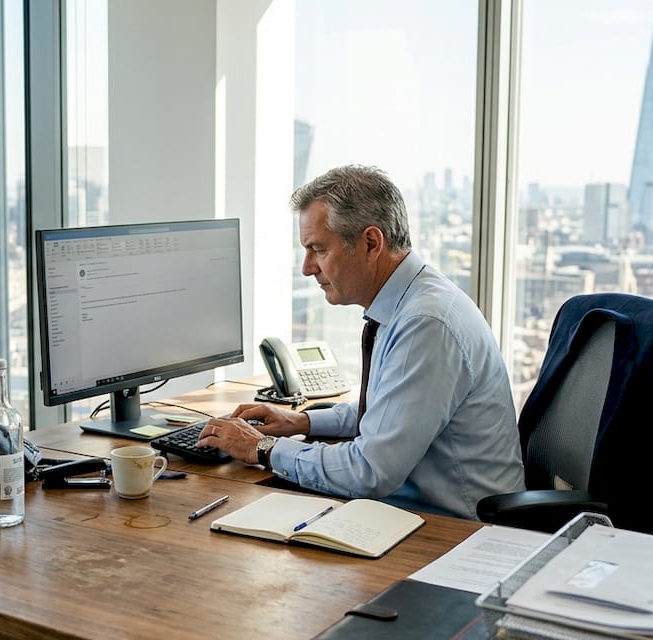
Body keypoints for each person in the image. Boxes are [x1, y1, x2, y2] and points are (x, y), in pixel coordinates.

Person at [197, 164, 524, 519]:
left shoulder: (424, 325)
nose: (308, 268)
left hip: (456, 532)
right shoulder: (412, 301)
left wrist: (261, 447)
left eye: (318, 250)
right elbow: (389, 413)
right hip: (416, 513)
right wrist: (302, 422)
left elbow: (369, 472)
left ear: (371, 243)